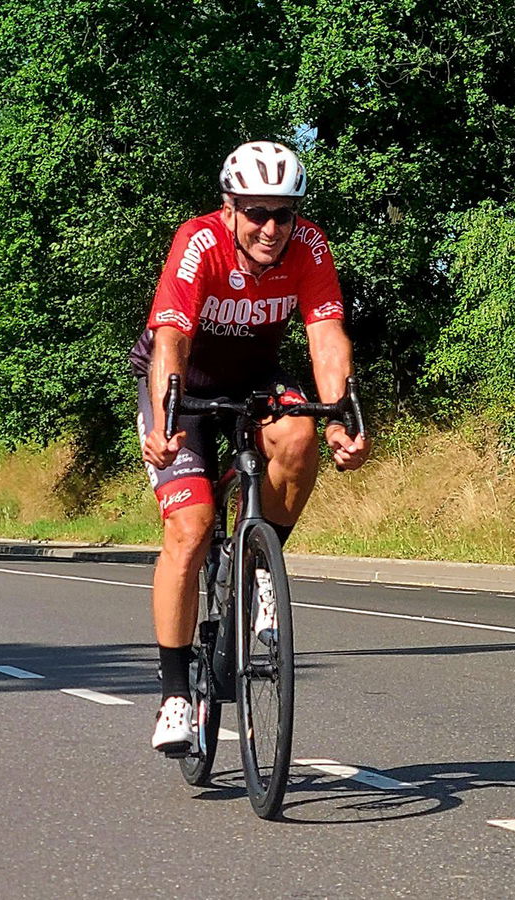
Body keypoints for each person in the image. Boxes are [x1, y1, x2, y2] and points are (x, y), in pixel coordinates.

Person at [127, 140, 371, 752]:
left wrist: (342, 413)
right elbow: (172, 341)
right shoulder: (199, 242)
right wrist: (165, 419)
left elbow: (326, 338)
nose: (270, 227)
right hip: (182, 386)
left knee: (298, 434)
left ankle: (258, 561)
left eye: (282, 213)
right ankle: (176, 693)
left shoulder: (309, 248)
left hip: (252, 382)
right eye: (256, 212)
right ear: (229, 207)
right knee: (190, 527)